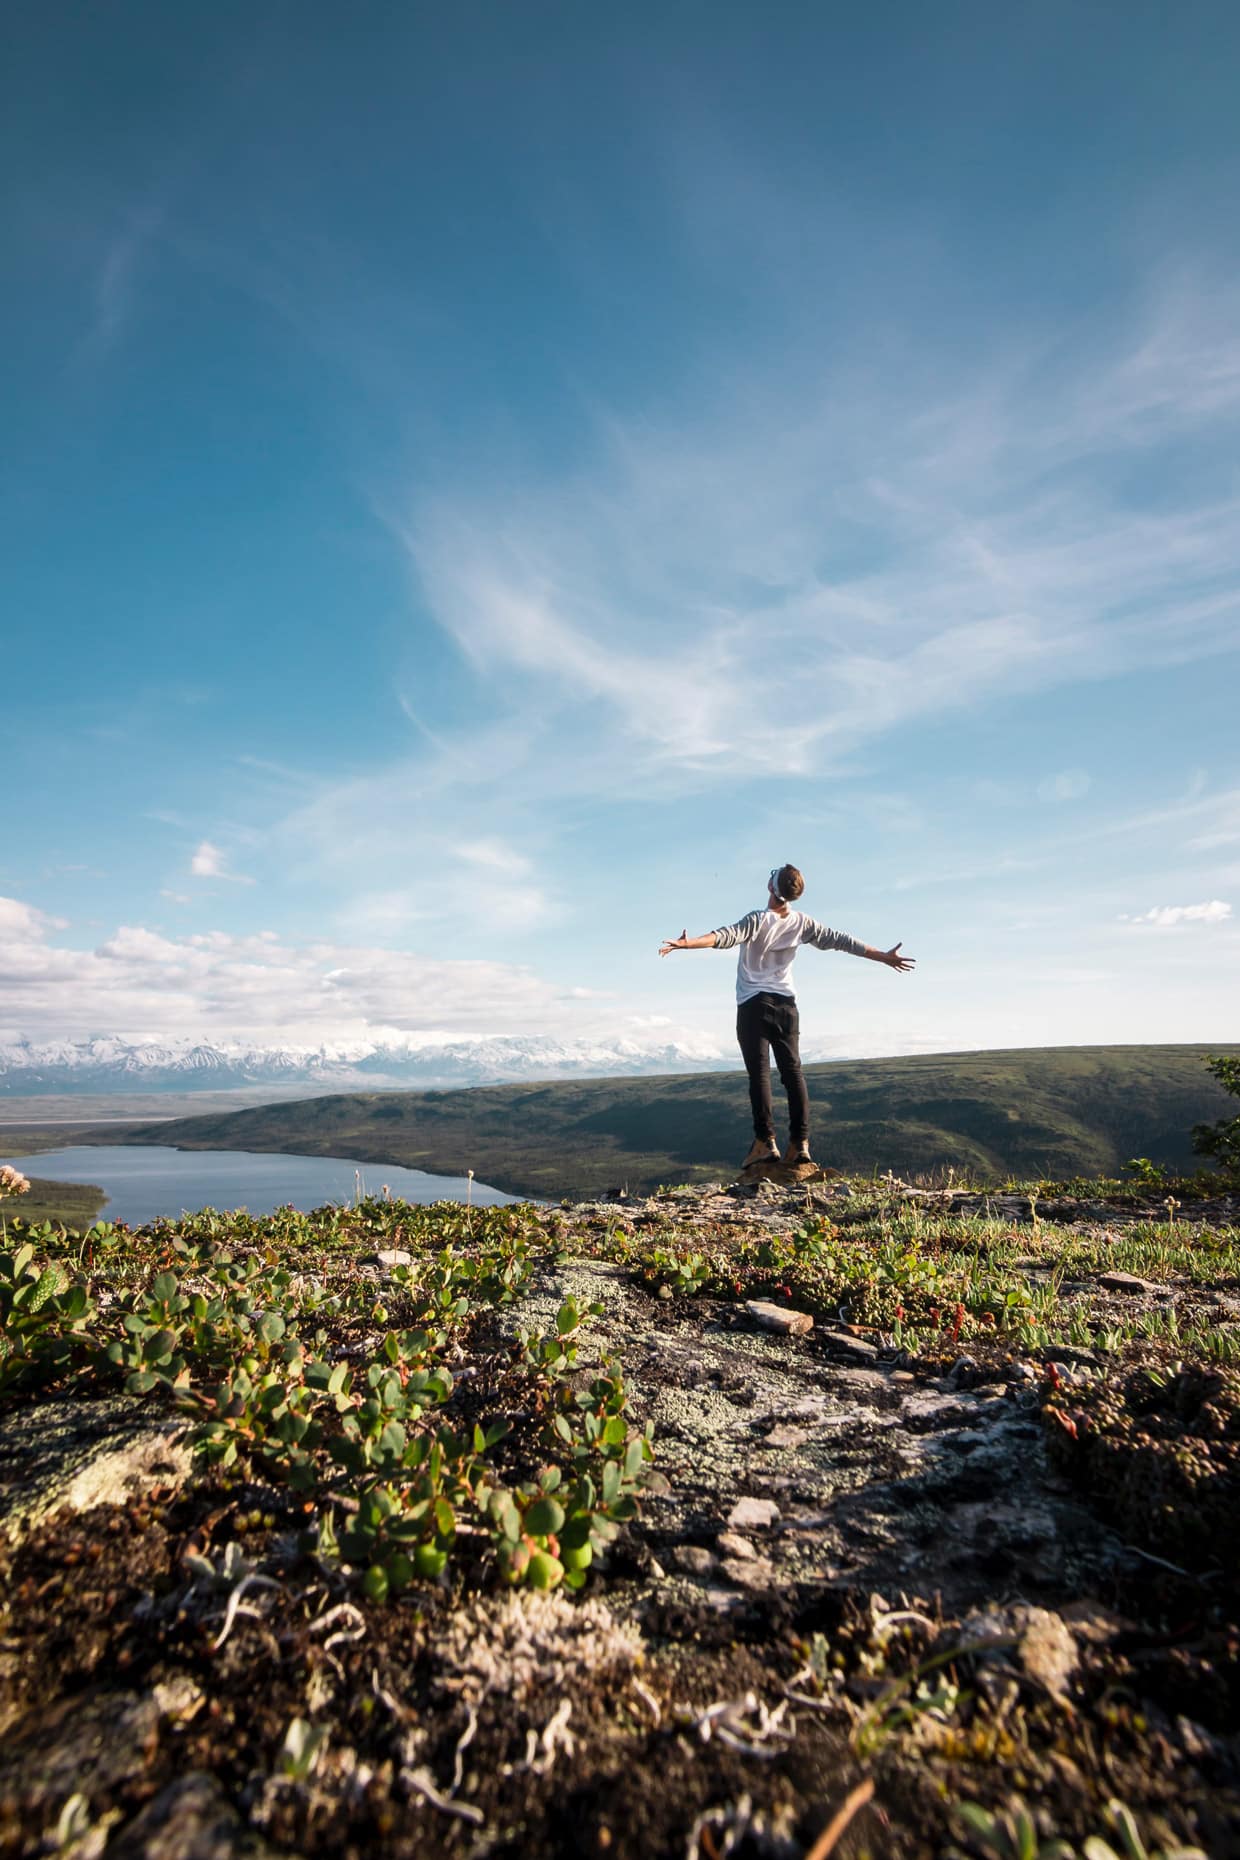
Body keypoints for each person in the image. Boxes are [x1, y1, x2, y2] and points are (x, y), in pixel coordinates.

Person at [659, 864, 915, 1169]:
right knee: (793, 1075)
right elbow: (843, 941)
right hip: (787, 1006)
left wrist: (687, 944)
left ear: (772, 887)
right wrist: (883, 956)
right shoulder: (802, 923)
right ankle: (800, 1144)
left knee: (760, 1076)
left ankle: (765, 1143)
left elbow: (724, 936)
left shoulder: (758, 920)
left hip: (754, 1005)